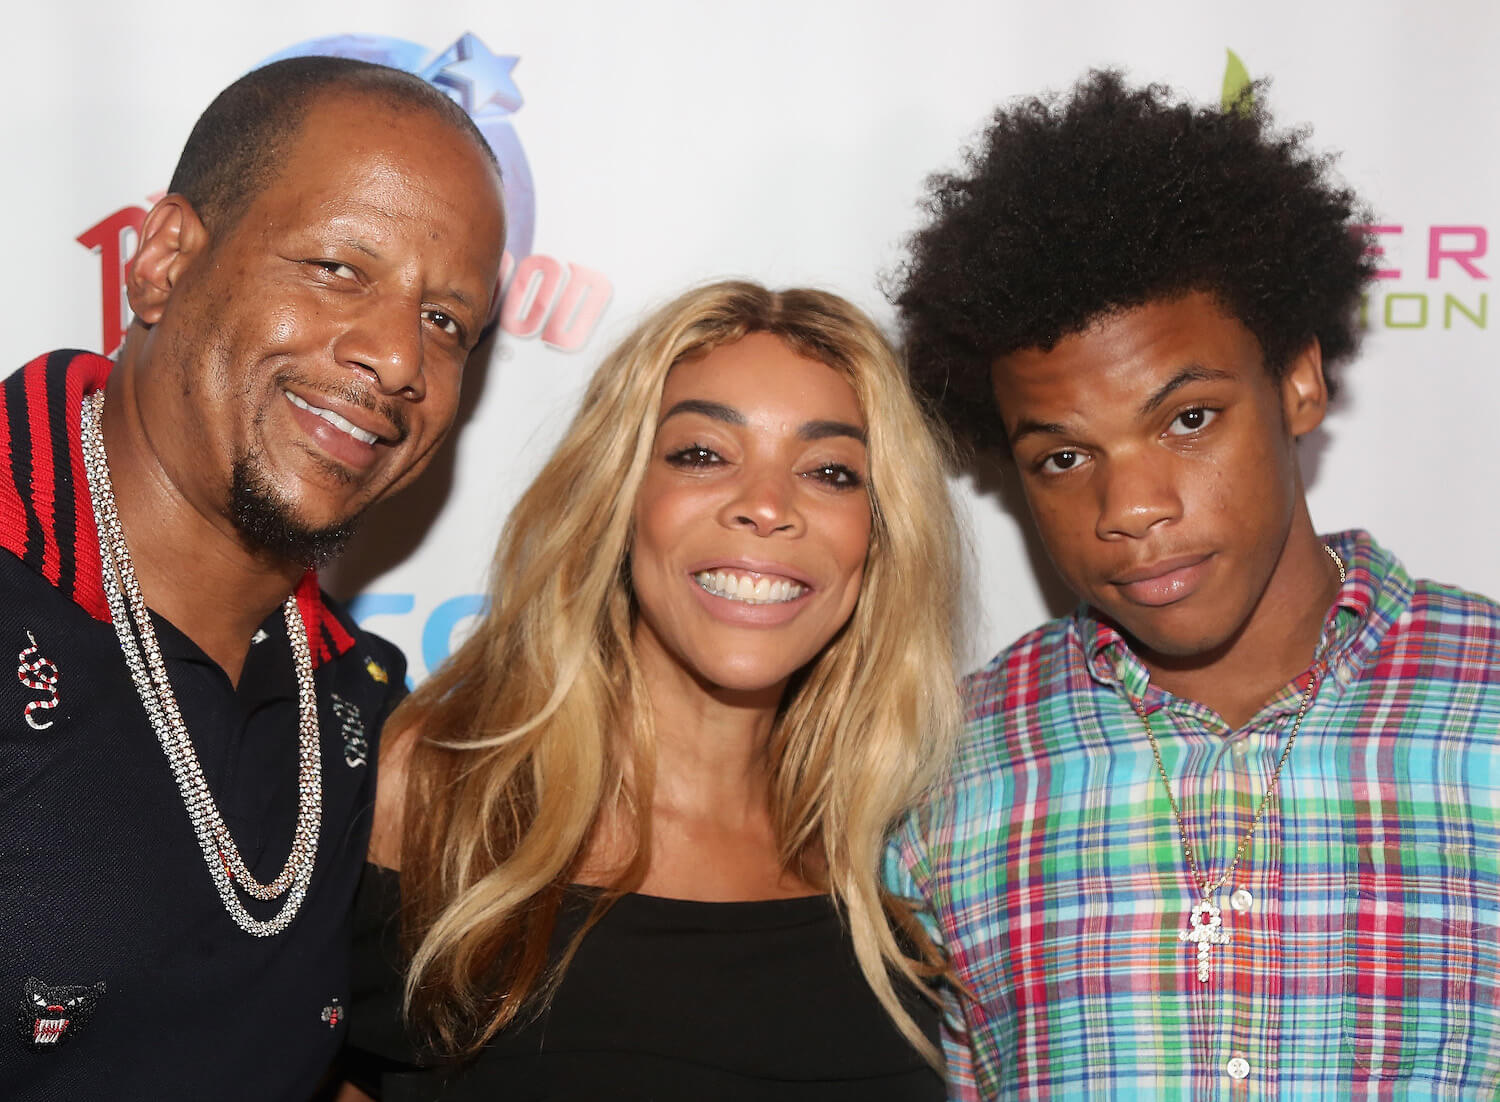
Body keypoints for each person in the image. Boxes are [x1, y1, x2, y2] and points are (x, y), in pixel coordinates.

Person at [884, 70, 1499, 1099]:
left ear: (1299, 380)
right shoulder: (945, 773)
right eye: (1064, 459)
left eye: (1188, 419)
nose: (1133, 507)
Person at [0, 57, 506, 1099]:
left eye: (447, 321)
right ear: (165, 260)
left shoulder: (360, 701)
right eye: (338, 268)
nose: (399, 357)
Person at [340, 281, 964, 1100]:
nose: (768, 506)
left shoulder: (899, 855)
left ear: (880, 536)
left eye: (830, 471)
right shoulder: (438, 794)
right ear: (622, 497)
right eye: (702, 454)